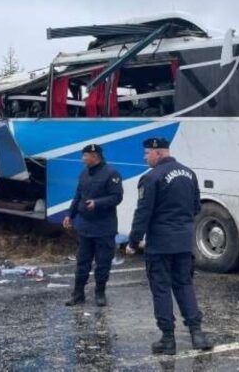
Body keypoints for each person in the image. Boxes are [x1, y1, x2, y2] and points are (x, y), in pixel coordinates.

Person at [126, 137, 213, 355]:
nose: (145, 157)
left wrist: (133, 241)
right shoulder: (189, 173)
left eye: (147, 153)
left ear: (158, 153)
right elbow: (195, 207)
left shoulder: (151, 177)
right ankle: (197, 334)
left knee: (161, 289)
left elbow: (143, 213)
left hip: (160, 244)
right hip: (184, 242)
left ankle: (167, 339)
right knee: (184, 285)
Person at [63, 144, 123, 307]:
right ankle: (78, 294)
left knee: (103, 263)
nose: (83, 159)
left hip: (104, 227)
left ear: (95, 156)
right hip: (85, 227)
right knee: (82, 262)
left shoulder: (111, 174)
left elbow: (117, 197)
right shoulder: (84, 174)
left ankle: (100, 293)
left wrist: (97, 203)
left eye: (85, 156)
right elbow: (77, 196)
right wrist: (70, 215)